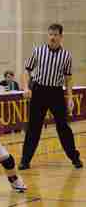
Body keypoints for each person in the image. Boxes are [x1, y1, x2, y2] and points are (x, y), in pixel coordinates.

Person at [18, 23, 83, 170]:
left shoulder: (66, 55)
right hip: (39, 91)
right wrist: (26, 87)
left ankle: (74, 157)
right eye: (50, 34)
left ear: (61, 37)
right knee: (34, 127)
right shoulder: (38, 51)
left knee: (63, 127)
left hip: (56, 92)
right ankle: (25, 160)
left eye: (55, 35)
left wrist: (70, 97)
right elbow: (26, 70)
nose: (52, 37)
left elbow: (68, 78)